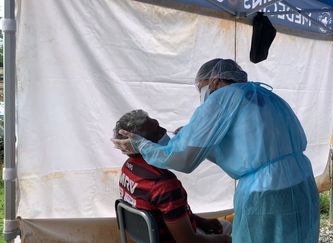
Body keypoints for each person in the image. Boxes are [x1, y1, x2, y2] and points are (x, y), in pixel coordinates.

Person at [112, 59, 320, 243]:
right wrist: (194, 137)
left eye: (201, 88)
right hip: (302, 181)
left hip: (265, 190)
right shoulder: (266, 95)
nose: (203, 95)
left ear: (215, 81)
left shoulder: (222, 97)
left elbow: (183, 159)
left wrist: (144, 146)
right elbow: (247, 147)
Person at [113, 109, 231, 243]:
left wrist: (200, 221)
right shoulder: (163, 184)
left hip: (155, 237)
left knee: (224, 226)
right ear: (140, 144)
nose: (164, 130)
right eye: (157, 131)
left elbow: (166, 213)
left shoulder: (128, 167)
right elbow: (188, 241)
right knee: (231, 232)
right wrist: (226, 240)